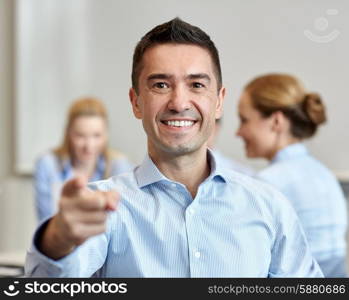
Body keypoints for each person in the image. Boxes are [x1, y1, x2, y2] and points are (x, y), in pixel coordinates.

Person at [25, 18, 323, 277]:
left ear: (219, 101)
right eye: (161, 85)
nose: (179, 103)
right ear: (136, 102)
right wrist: (58, 239)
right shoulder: (104, 206)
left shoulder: (269, 205)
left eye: (196, 85)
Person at [236, 73, 348, 277]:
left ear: (276, 122)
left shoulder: (268, 184)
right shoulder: (324, 174)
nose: (239, 132)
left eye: (244, 120)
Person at [34, 97, 134, 223]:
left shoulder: (120, 165)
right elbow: (46, 223)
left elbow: (123, 222)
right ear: (68, 134)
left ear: (106, 135)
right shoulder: (48, 164)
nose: (89, 146)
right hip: (62, 240)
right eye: (80, 135)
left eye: (96, 135)